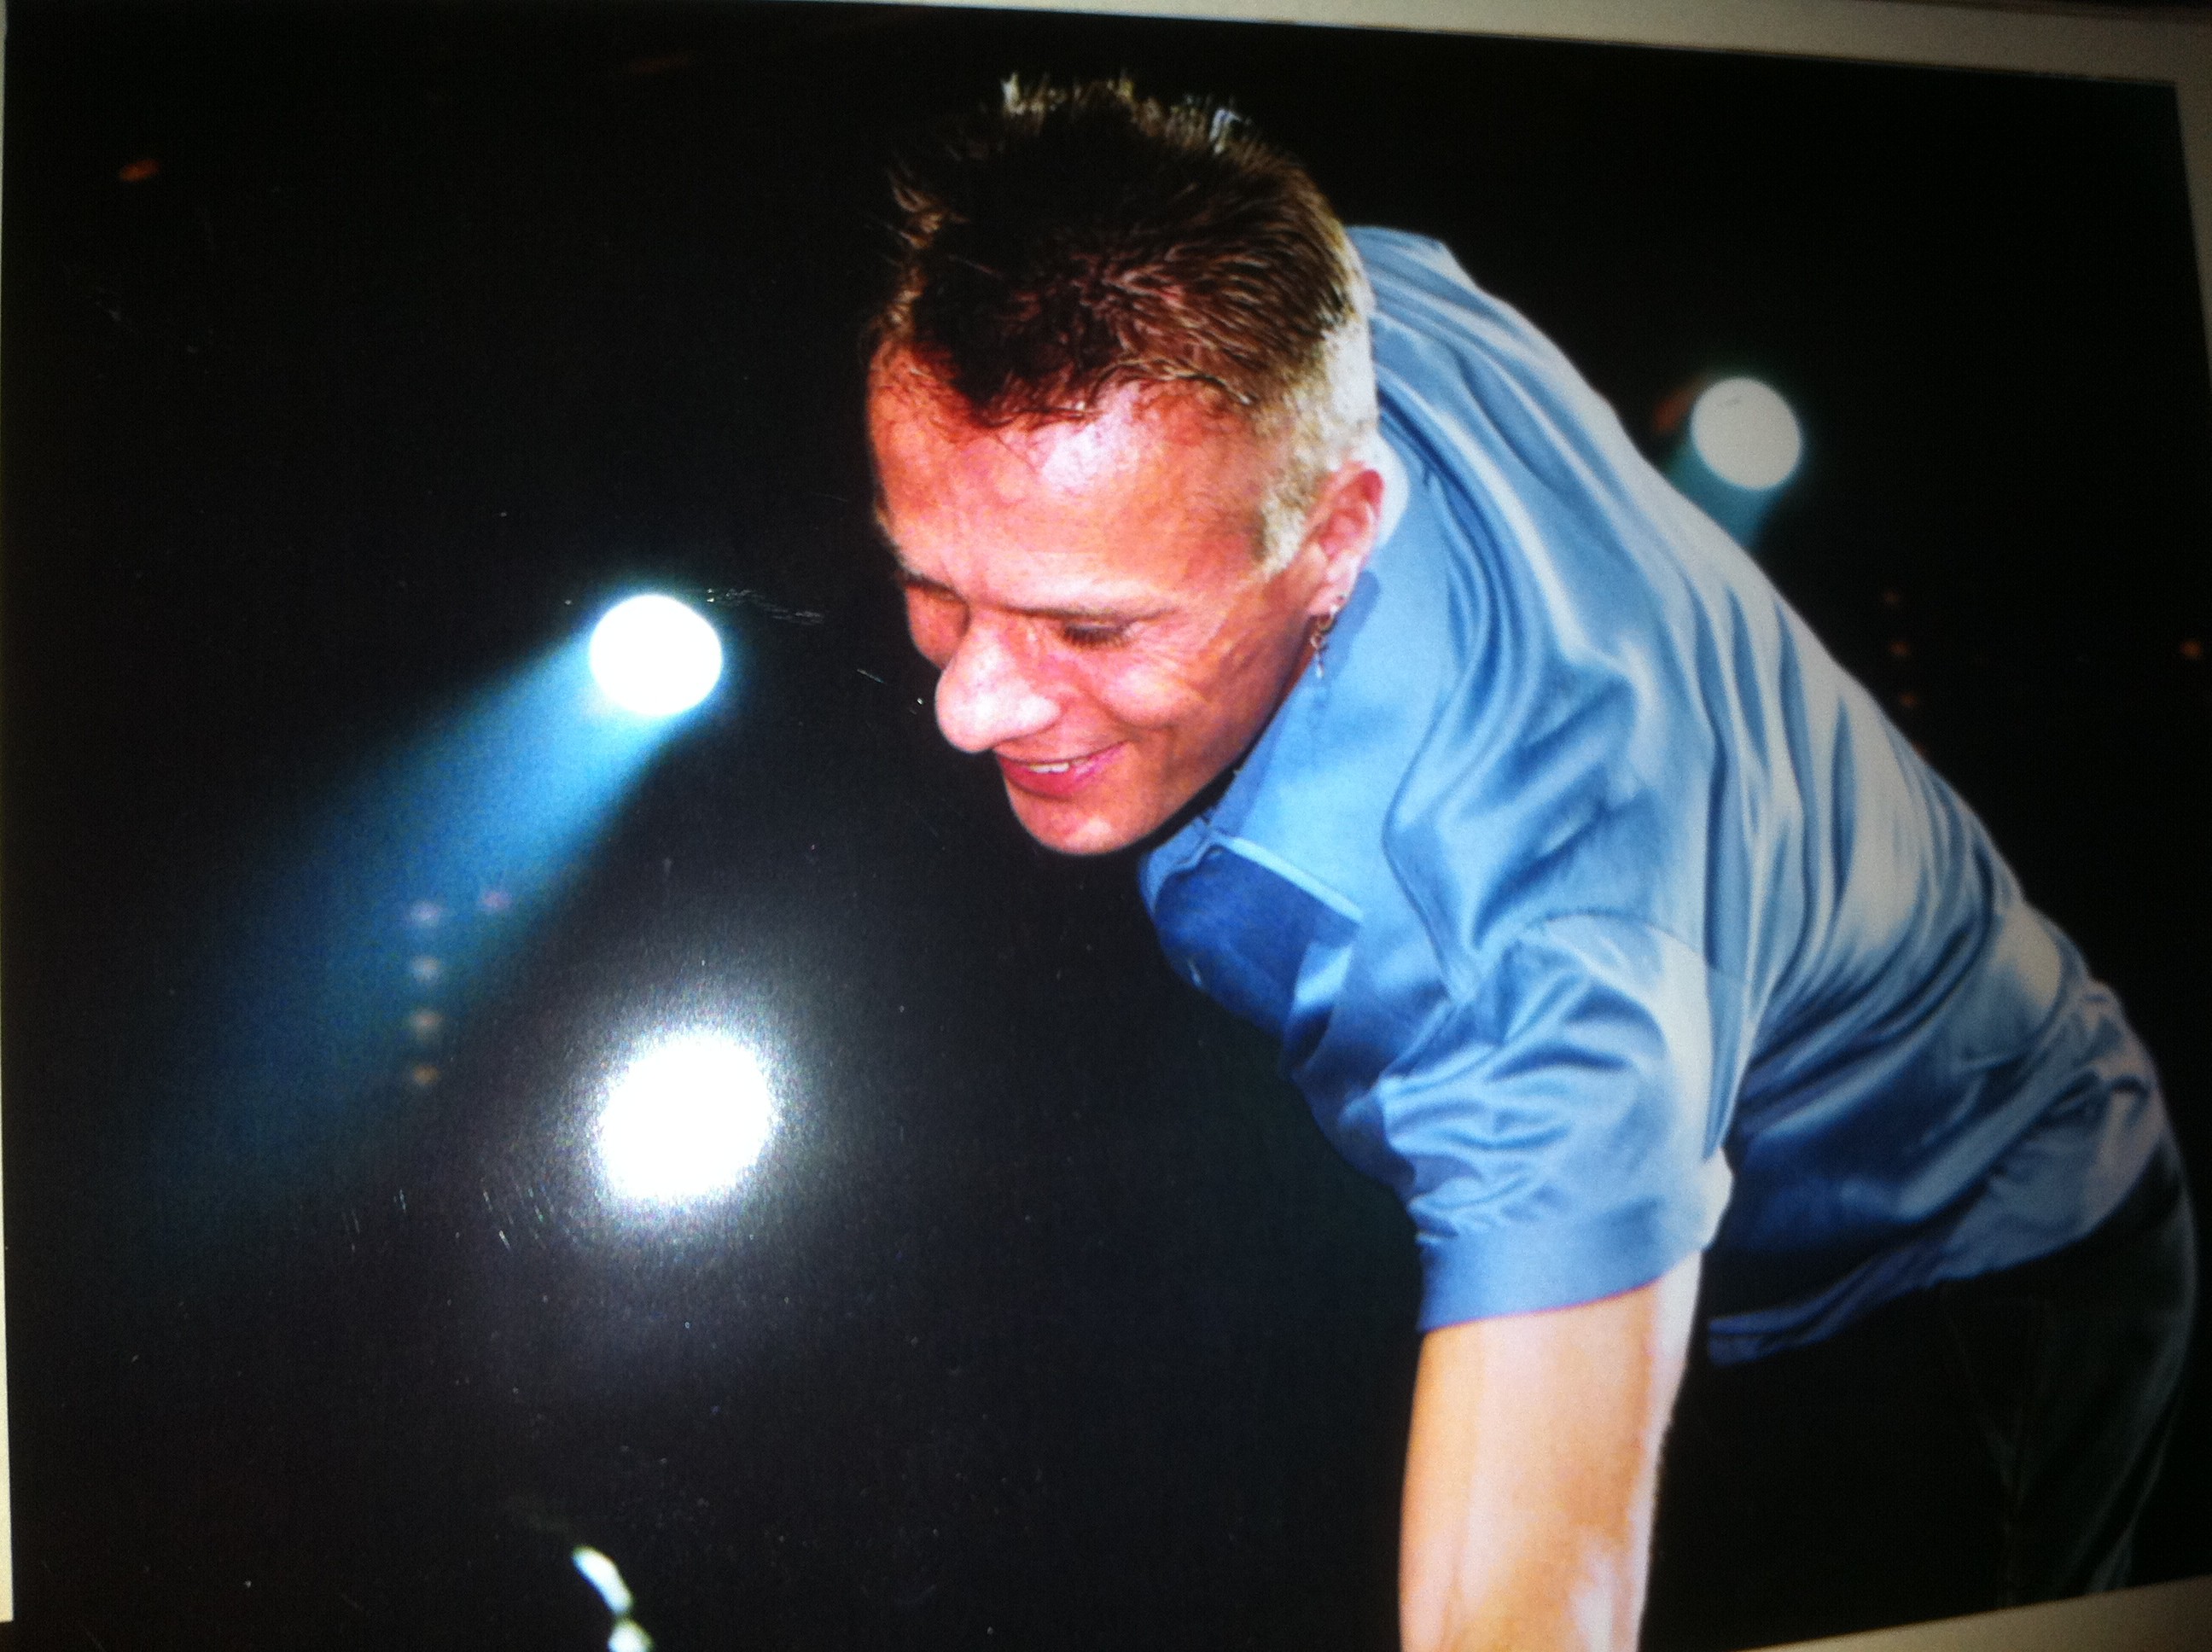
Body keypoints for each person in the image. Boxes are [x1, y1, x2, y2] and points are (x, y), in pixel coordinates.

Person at [863, 79, 2195, 1650]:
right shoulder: (1322, 292)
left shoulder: (1532, 961)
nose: (969, 707)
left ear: (1336, 534)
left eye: (1090, 628)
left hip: (1974, 1269)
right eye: (934, 585)